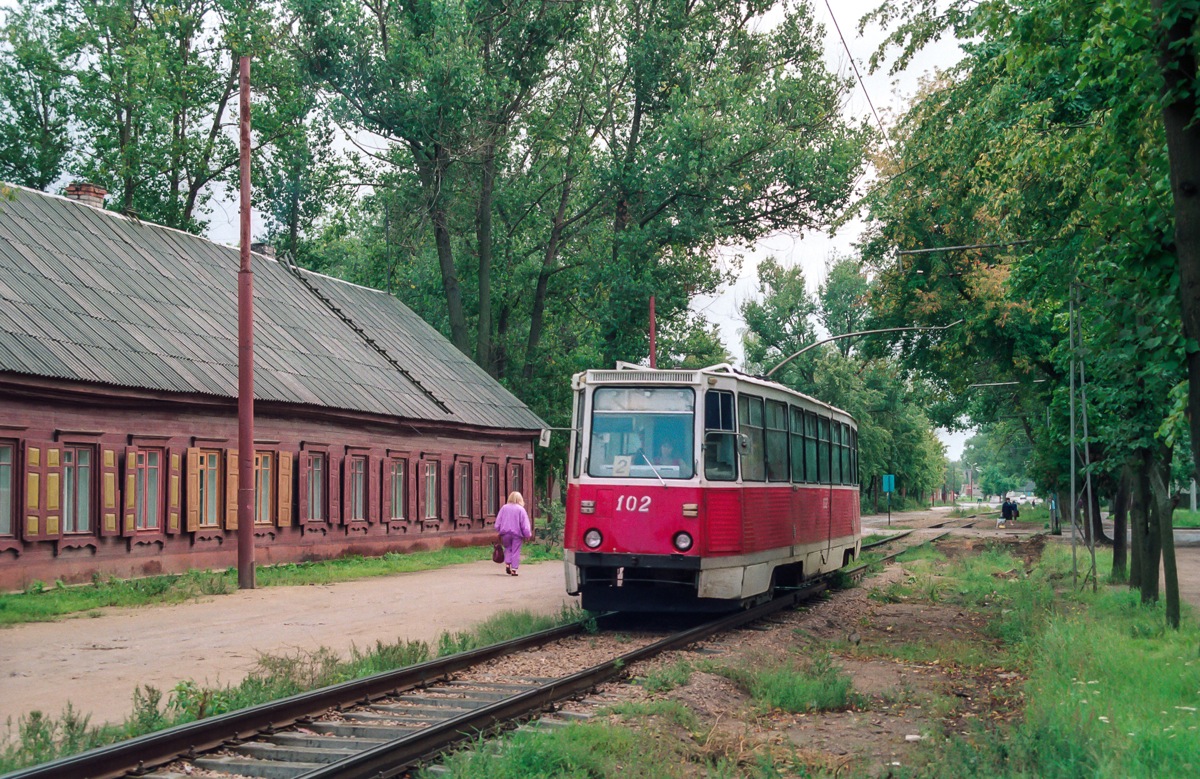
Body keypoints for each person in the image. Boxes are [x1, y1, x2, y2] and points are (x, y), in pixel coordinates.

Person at [494, 491, 532, 576]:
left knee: (507, 548)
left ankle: (508, 564)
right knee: (516, 551)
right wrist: (527, 534)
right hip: (517, 534)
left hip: (505, 533)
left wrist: (498, 529)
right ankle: (514, 569)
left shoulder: (504, 508)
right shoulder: (521, 509)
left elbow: (498, 521)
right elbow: (524, 524)